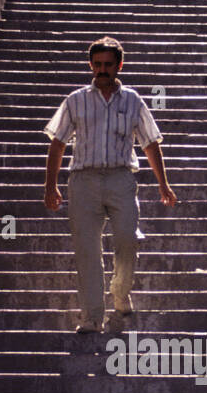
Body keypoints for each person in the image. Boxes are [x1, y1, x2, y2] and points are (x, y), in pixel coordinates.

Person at [43, 38, 176, 333]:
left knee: (128, 240)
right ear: (91, 65)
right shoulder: (75, 100)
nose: (102, 70)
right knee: (87, 251)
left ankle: (120, 290)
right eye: (97, 64)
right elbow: (58, 143)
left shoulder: (133, 100)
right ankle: (92, 317)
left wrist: (163, 184)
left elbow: (150, 143)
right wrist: (50, 186)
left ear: (119, 65)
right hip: (83, 181)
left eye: (108, 65)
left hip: (121, 179)